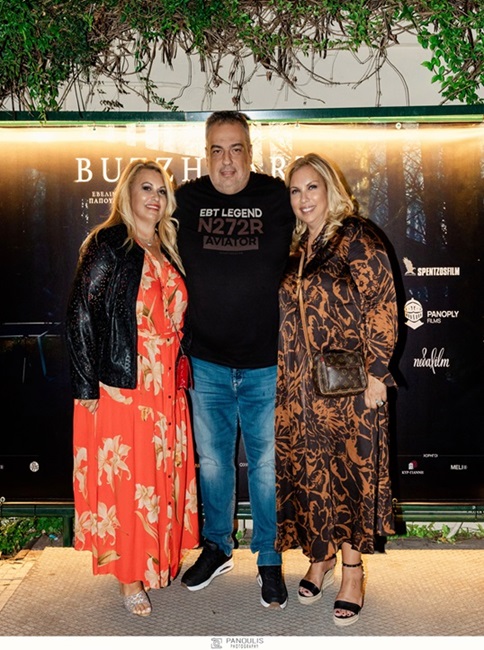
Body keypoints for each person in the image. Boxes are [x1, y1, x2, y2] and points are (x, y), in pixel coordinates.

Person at [65, 159, 199, 617]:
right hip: (124, 385)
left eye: (161, 191)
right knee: (128, 481)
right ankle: (128, 577)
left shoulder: (166, 246)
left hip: (166, 386)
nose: (155, 198)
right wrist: (86, 387)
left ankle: (152, 557)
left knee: (155, 478)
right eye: (146, 188)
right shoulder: (109, 243)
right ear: (127, 193)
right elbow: (80, 313)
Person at [175, 111, 294, 608]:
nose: (227, 161)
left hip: (268, 361)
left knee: (266, 465)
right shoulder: (185, 200)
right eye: (217, 150)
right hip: (207, 361)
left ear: (250, 151)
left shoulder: (277, 197)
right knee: (213, 463)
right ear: (206, 154)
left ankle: (269, 556)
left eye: (236, 148)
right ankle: (218, 546)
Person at [275, 153, 398, 626]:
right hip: (300, 388)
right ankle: (321, 557)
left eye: (312, 187)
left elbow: (382, 302)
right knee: (313, 473)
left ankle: (351, 572)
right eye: (295, 190)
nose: (303, 198)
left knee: (347, 475)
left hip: (348, 386)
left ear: (330, 189)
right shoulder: (296, 247)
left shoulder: (356, 236)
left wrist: (377, 372)